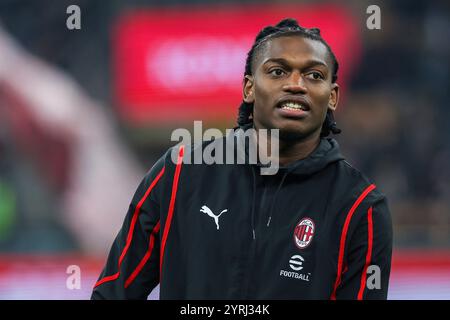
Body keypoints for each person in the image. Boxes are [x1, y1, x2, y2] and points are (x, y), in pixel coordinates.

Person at [91, 18, 393, 300]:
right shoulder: (180, 172)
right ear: (249, 88)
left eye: (314, 75)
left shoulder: (360, 207)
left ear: (332, 97)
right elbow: (113, 293)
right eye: (278, 71)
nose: (296, 84)